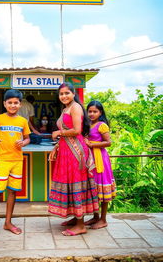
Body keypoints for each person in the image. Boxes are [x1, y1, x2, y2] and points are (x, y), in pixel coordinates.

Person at [48, 83, 99, 236]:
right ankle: (75, 218)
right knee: (70, 182)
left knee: (76, 182)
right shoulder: (66, 108)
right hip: (66, 150)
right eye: (61, 94)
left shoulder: (75, 107)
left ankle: (80, 225)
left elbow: (76, 130)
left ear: (73, 93)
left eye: (67, 93)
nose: (63, 96)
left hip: (75, 152)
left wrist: (59, 132)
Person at [0, 89, 30, 238]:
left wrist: (24, 142)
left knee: (12, 191)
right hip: (2, 160)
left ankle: (8, 222)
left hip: (17, 160)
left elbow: (28, 138)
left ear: (20, 104)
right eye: (10, 102)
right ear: (4, 103)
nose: (13, 105)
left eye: (16, 102)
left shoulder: (23, 121)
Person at [84, 100, 116, 229]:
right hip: (91, 159)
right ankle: (95, 217)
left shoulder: (102, 125)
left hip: (100, 160)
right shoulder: (89, 124)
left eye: (95, 111)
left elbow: (108, 142)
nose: (92, 114)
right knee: (95, 189)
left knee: (102, 188)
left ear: (100, 112)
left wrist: (92, 144)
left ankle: (103, 219)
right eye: (90, 111)